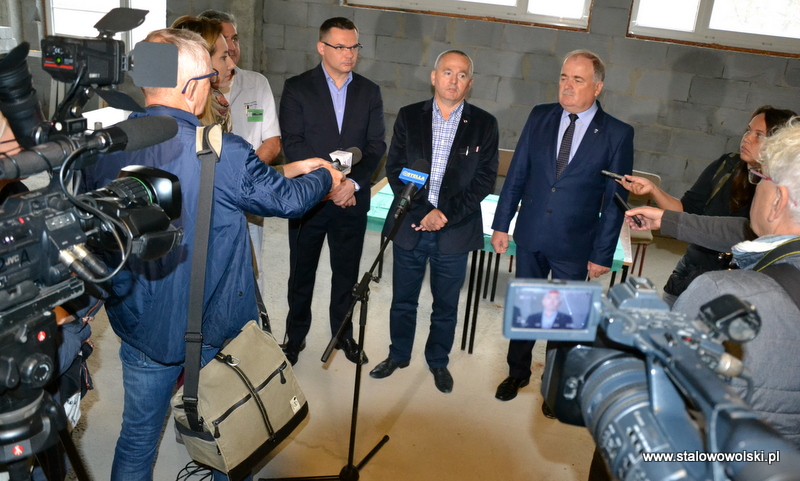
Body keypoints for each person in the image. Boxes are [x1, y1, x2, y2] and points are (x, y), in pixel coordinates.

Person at [80, 28, 343, 480]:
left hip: (142, 327)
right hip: (216, 326)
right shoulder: (223, 150)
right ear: (192, 87)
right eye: (209, 77)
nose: (215, 84)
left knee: (137, 440)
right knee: (233, 432)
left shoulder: (104, 148)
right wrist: (325, 176)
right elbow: (286, 201)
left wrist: (288, 169)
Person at [624, 117, 800, 449]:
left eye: (760, 178)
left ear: (778, 201)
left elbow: (666, 402)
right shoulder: (725, 168)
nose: (754, 184)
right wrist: (667, 219)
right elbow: (736, 230)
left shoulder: (721, 294)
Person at [491, 49, 634, 402]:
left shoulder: (617, 133)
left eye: (578, 80)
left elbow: (614, 201)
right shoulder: (540, 116)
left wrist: (602, 253)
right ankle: (517, 373)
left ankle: (554, 386)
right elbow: (517, 173)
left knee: (563, 321)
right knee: (527, 309)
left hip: (576, 243)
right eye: (563, 78)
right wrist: (501, 224)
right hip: (531, 234)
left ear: (597, 87)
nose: (567, 86)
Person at [368, 50, 498, 393]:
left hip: (455, 229)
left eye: (462, 74)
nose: (454, 80)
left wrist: (445, 214)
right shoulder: (410, 116)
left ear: (470, 82)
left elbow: (484, 180)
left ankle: (438, 361)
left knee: (445, 305)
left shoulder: (484, 124)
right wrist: (424, 210)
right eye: (447, 72)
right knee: (403, 300)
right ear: (434, 76)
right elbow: (395, 169)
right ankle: (398, 355)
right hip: (411, 223)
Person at [279, 17, 386, 366]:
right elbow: (293, 144)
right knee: (301, 274)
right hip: (310, 200)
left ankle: (343, 334)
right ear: (321, 47)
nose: (348, 53)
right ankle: (294, 338)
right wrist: (331, 183)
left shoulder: (369, 91)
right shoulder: (297, 88)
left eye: (354, 46)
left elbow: (375, 146)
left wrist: (351, 184)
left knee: (346, 273)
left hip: (350, 200)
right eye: (340, 46)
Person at [617, 105, 796, 305]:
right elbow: (687, 211)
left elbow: (738, 233)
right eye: (748, 130)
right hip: (691, 275)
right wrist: (654, 191)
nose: (747, 138)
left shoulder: (781, 193)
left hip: (735, 291)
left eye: (759, 135)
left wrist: (665, 220)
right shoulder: (726, 166)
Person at [197, 10, 288, 293]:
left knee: (250, 270)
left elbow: (272, 141)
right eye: (225, 41)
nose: (232, 46)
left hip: (249, 193)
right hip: (206, 197)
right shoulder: (195, 92)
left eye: (235, 38)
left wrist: (241, 177)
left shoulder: (256, 83)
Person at [170, 15, 237, 132]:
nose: (232, 65)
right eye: (223, 57)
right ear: (203, 61)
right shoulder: (180, 117)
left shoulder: (218, 106)